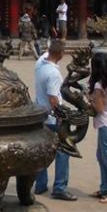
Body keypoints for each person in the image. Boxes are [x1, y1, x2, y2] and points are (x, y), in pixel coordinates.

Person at [33, 39, 76, 200]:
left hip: (40, 114)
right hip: (52, 118)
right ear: (61, 55)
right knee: (63, 151)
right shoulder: (53, 73)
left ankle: (40, 184)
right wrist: (61, 118)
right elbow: (53, 99)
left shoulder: (39, 64)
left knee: (42, 150)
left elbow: (47, 52)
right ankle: (59, 187)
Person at [88, 52, 107, 203]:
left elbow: (99, 108)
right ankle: (104, 187)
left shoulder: (99, 85)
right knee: (101, 156)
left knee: (106, 157)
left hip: (105, 122)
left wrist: (89, 100)